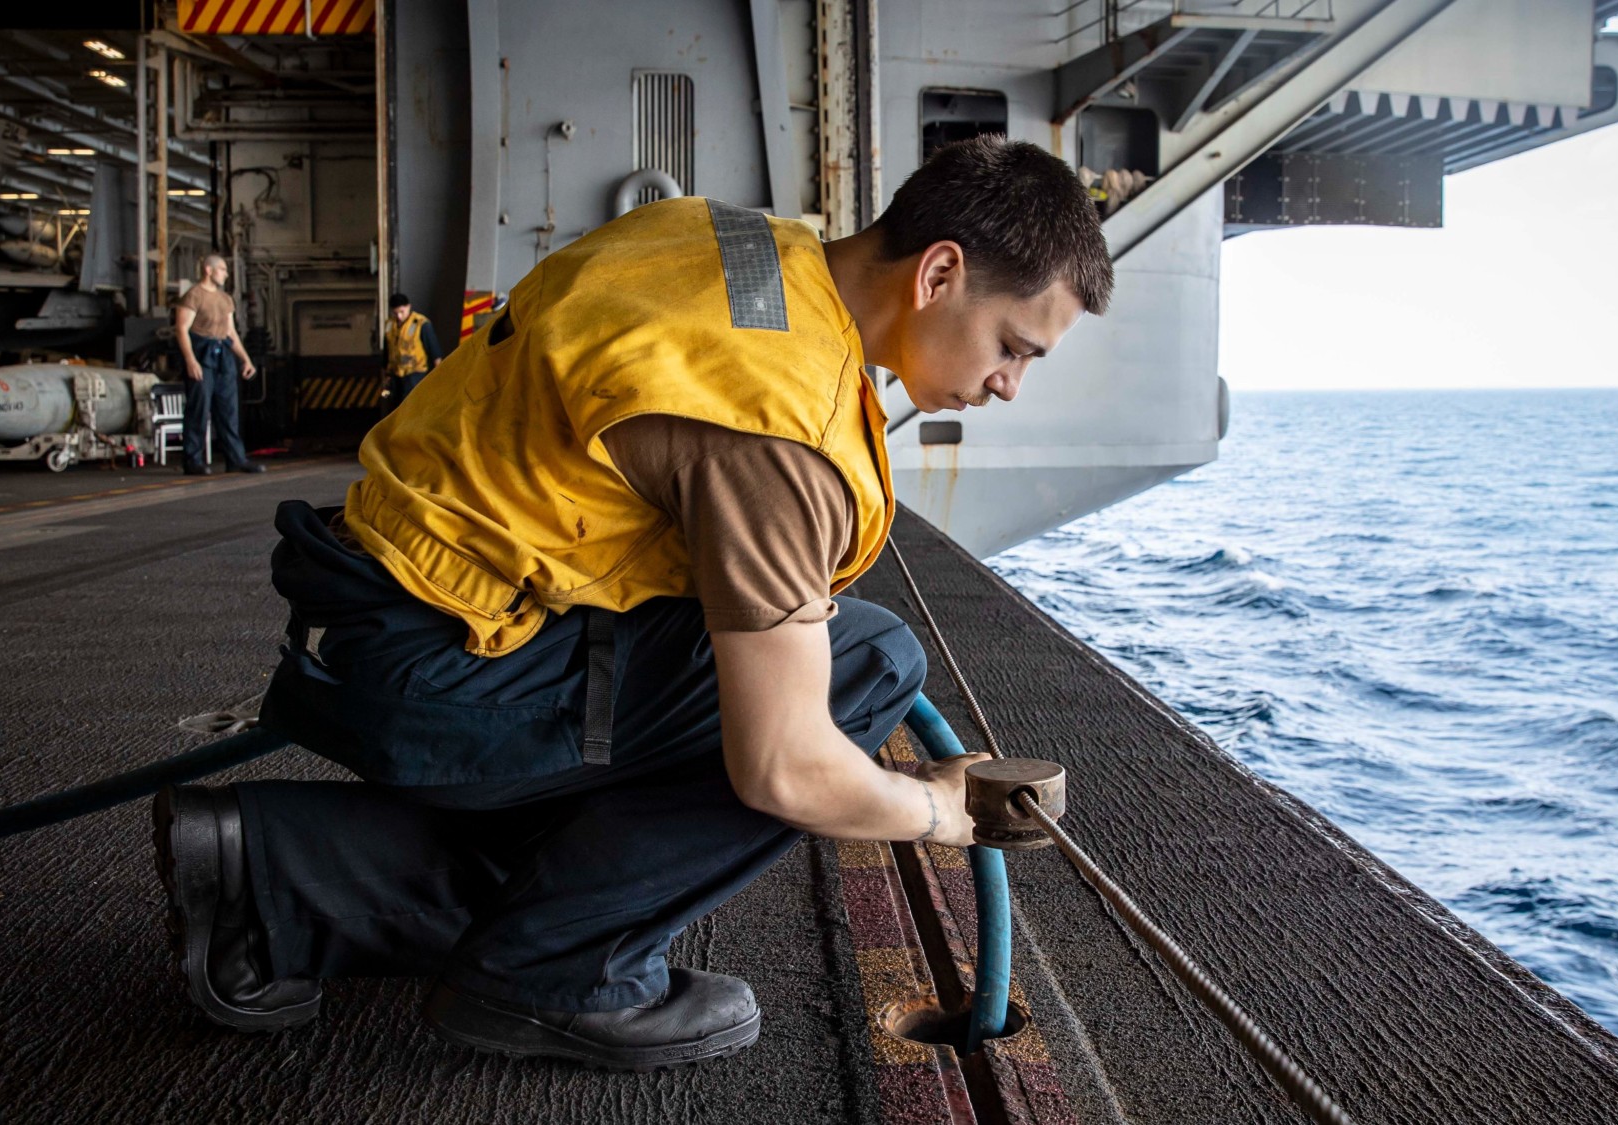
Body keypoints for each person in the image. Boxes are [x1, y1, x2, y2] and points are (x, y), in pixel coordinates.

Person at [149, 137, 1113, 1069]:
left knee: (662, 778)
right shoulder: (778, 429)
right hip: (434, 666)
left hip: (370, 598)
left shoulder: (724, 239)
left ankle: (265, 865)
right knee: (868, 666)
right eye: (1012, 345)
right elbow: (786, 769)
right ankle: (561, 972)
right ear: (938, 273)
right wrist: (938, 810)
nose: (1010, 385)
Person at [171, 255, 265, 475]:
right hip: (202, 355)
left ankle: (236, 459)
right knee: (199, 410)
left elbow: (230, 332)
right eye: (222, 269)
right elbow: (182, 329)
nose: (226, 273)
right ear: (208, 270)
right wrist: (190, 360)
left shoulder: (225, 299)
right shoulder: (193, 296)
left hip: (224, 356)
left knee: (228, 411)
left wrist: (245, 359)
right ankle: (193, 460)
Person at [381, 292, 443, 412]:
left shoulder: (421, 324)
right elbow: (386, 353)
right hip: (395, 375)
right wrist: (385, 376)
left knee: (412, 408)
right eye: (395, 313)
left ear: (409, 307)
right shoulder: (389, 325)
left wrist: (438, 380)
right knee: (395, 409)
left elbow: (435, 353)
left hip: (415, 374)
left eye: (401, 312)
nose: (398, 316)